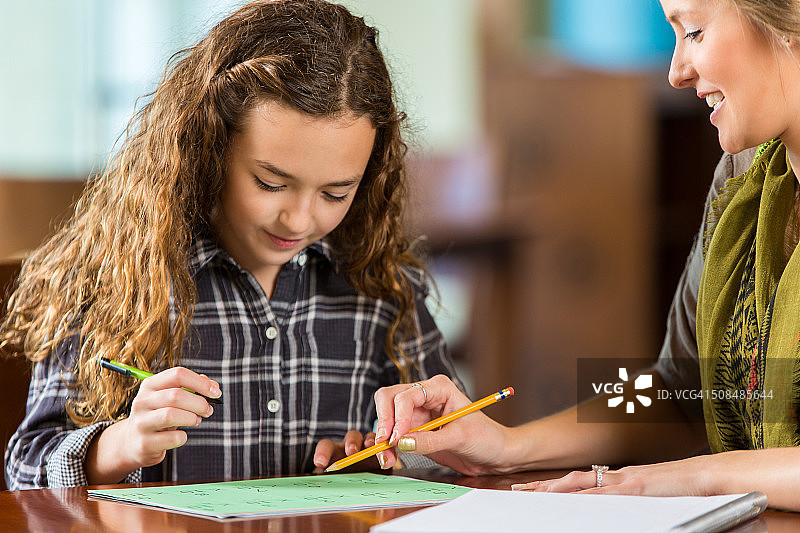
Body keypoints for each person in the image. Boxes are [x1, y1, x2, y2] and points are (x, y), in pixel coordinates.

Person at [2, 0, 460, 490]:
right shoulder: (110, 280)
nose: (299, 218)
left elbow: (456, 447)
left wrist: (391, 458)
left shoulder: (383, 287)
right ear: (209, 147)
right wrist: (122, 443)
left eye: (335, 193)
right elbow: (26, 468)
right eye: (270, 183)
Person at [370, 0, 800, 512]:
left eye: (696, 31)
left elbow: (687, 451)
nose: (676, 72)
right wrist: (507, 446)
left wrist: (684, 478)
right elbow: (678, 392)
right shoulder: (743, 178)